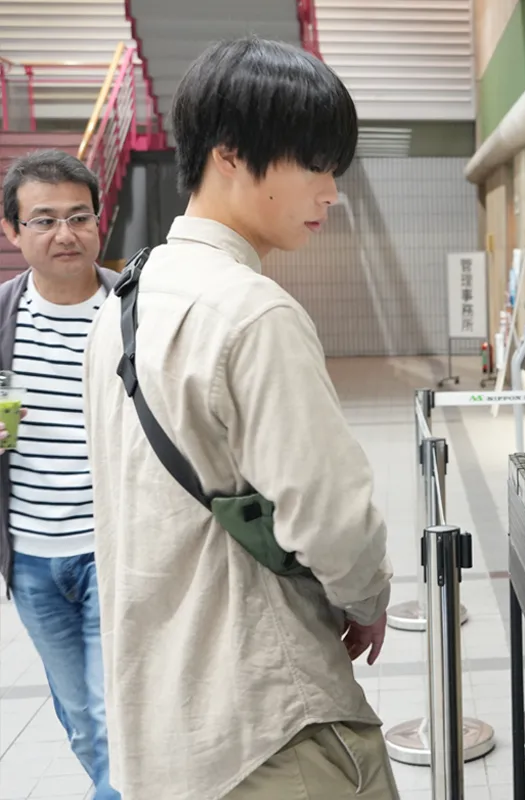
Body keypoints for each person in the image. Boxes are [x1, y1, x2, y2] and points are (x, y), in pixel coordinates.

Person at [81, 37, 396, 800]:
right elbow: (332, 518)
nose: (330, 191)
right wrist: (367, 601)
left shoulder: (124, 300)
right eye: (314, 164)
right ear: (230, 154)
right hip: (270, 720)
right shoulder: (253, 312)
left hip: (163, 721)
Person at [0, 150, 120, 800]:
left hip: (114, 552)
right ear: (12, 232)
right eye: (42, 220)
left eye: (79, 216)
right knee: (79, 720)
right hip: (32, 566)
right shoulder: (1, 318)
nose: (65, 233)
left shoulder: (132, 312)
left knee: (112, 715)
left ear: (100, 221)